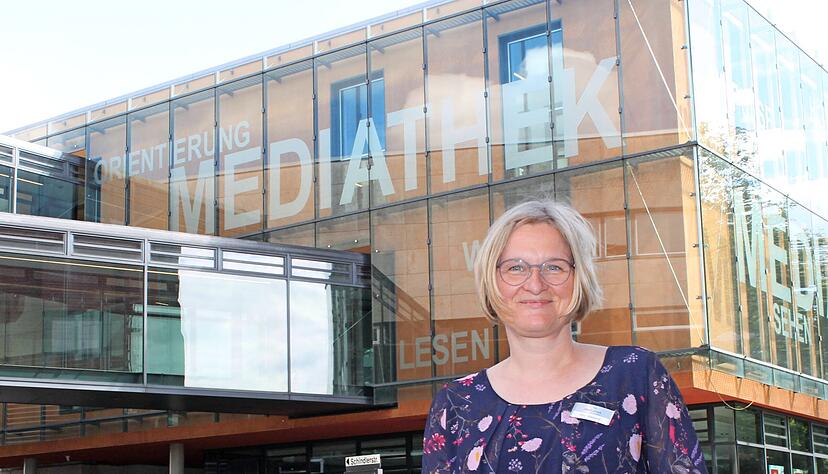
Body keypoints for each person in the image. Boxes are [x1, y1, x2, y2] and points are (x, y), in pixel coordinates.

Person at [421, 200, 706, 473]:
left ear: (578, 277)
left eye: (554, 267)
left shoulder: (635, 374)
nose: (534, 284)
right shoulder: (456, 404)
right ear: (491, 280)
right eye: (515, 268)